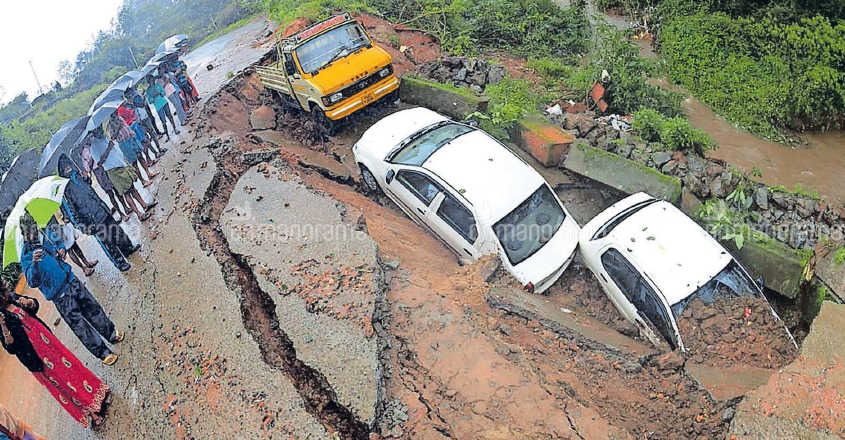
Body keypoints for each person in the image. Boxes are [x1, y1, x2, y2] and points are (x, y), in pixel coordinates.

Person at [0, 277, 111, 427]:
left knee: (73, 369)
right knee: (63, 384)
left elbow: (34, 306)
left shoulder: (13, 297)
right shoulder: (0, 318)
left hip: (49, 344)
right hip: (36, 358)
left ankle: (98, 395)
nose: (6, 291)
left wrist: (30, 303)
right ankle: (91, 412)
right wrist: (5, 329)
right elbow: (11, 348)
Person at [18, 212, 124, 368]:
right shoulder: (26, 255)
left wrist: (61, 250)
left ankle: (110, 332)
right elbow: (33, 282)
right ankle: (102, 352)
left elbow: (59, 243)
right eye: (29, 231)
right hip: (59, 296)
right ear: (24, 233)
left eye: (33, 228)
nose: (33, 233)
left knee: (92, 308)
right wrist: (33, 263)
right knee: (80, 325)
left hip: (71, 280)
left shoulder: (45, 235)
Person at [57, 154, 140, 271]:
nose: (68, 168)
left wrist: (87, 178)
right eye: (64, 168)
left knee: (116, 231)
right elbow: (72, 212)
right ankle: (120, 263)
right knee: (108, 243)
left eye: (68, 165)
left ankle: (128, 249)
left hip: (101, 210)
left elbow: (90, 189)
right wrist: (83, 227)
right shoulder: (65, 190)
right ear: (62, 171)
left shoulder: (80, 176)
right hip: (91, 221)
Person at [81, 131, 131, 221]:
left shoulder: (97, 142)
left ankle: (125, 207)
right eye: (87, 137)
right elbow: (88, 168)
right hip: (99, 173)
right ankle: (121, 213)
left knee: (117, 189)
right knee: (110, 194)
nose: (89, 138)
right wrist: (92, 157)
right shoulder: (85, 152)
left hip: (106, 168)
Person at [107, 113, 155, 186]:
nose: (116, 112)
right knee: (134, 163)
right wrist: (117, 127)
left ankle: (148, 173)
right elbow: (112, 137)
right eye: (114, 112)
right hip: (124, 144)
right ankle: (143, 181)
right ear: (111, 114)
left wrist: (132, 134)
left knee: (140, 157)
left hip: (131, 139)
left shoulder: (119, 117)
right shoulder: (110, 125)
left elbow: (126, 126)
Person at [117, 98, 156, 167]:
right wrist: (132, 105)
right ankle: (148, 159)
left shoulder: (120, 109)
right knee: (143, 141)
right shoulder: (121, 109)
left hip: (132, 126)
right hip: (133, 125)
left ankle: (149, 159)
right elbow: (130, 113)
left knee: (143, 141)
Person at [130, 89, 167, 157]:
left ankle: (159, 149)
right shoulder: (128, 103)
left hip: (145, 117)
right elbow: (131, 114)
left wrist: (139, 100)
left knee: (152, 133)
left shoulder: (137, 96)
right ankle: (155, 153)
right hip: (139, 122)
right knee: (146, 138)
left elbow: (142, 104)